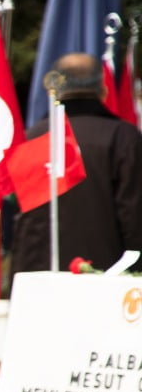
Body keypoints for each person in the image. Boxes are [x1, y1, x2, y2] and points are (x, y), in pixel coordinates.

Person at [11, 53, 142, 273]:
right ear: (103, 89)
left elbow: (20, 212)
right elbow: (133, 214)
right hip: (103, 275)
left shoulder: (31, 137)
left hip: (35, 275)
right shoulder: (123, 137)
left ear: (54, 89)